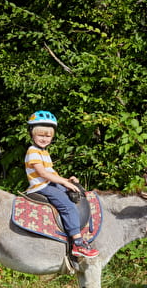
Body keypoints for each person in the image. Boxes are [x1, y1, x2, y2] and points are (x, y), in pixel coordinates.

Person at [24, 110, 99, 258]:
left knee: (75, 192)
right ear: (32, 134)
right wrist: (64, 182)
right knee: (67, 205)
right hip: (41, 186)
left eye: (48, 136)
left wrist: (67, 181)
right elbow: (43, 174)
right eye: (40, 135)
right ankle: (77, 243)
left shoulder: (44, 152)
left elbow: (51, 173)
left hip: (48, 183)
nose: (44, 139)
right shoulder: (33, 151)